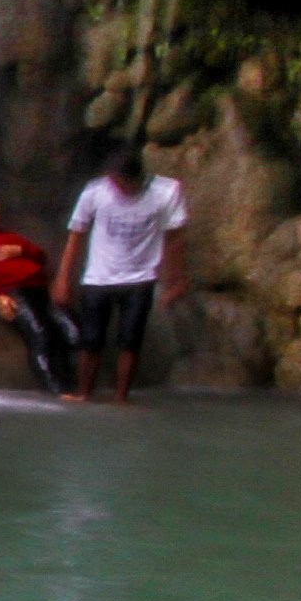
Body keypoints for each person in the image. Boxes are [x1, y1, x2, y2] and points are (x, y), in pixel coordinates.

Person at [59, 135, 193, 404]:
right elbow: (76, 234)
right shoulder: (95, 191)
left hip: (140, 278)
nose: (120, 188)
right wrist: (63, 279)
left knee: (130, 341)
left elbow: (175, 238)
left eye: (125, 183)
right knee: (91, 340)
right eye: (116, 182)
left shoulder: (165, 192)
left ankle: (122, 397)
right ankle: (83, 393)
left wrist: (176, 279)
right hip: (98, 276)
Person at [0, 195, 77, 393]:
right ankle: (56, 390)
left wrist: (19, 250)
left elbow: (40, 255)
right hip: (13, 291)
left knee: (71, 332)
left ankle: (74, 385)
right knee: (39, 334)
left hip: (39, 288)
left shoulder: (6, 235)